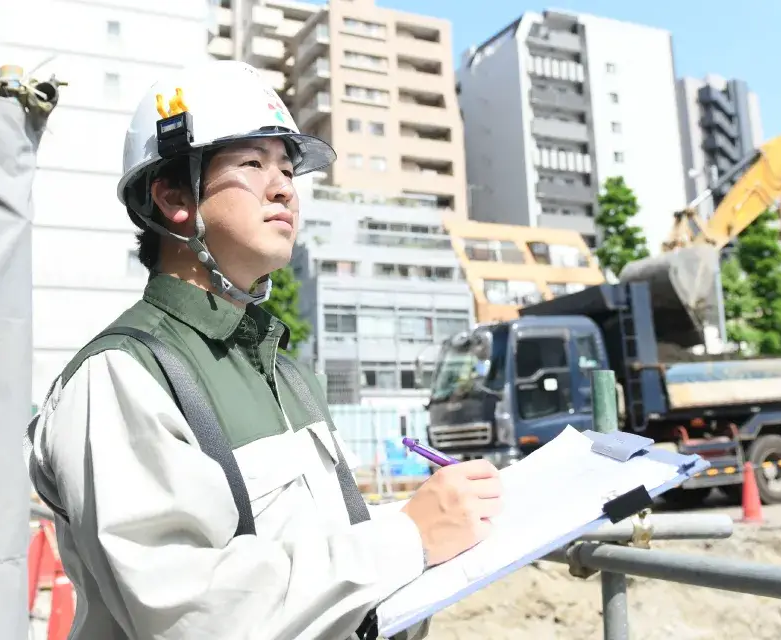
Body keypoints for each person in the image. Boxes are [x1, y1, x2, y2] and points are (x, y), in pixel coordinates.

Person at [25, 60, 503, 640]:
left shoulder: (284, 373)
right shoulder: (121, 378)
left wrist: (431, 542)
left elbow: (319, 557)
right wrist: (407, 538)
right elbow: (188, 614)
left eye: (287, 168)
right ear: (175, 195)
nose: (283, 187)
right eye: (252, 163)